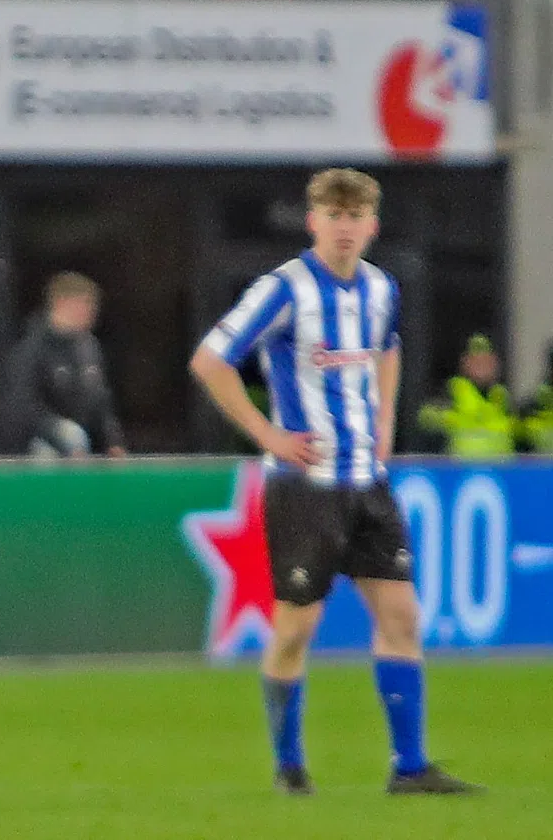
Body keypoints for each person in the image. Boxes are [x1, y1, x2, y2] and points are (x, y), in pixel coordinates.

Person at [189, 167, 480, 797]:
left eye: (356, 217)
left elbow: (389, 347)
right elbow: (211, 360)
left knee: (402, 615)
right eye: (333, 215)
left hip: (367, 484)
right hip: (305, 486)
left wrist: (383, 420)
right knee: (296, 627)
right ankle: (289, 766)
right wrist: (267, 436)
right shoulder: (284, 290)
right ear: (312, 221)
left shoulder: (380, 289)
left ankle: (409, 768)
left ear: (372, 225)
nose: (344, 228)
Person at [0, 271, 126, 459]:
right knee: (69, 438)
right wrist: (59, 431)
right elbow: (22, 405)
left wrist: (113, 441)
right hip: (38, 446)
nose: (92, 312)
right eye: (85, 305)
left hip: (81, 449)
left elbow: (100, 400)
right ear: (62, 303)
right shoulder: (32, 348)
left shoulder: (89, 347)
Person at [416, 333, 516, 459]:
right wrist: (452, 419)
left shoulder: (502, 396)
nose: (482, 366)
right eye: (476, 361)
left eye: (486, 360)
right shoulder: (453, 390)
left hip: (501, 472)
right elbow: (425, 419)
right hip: (460, 471)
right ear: (465, 362)